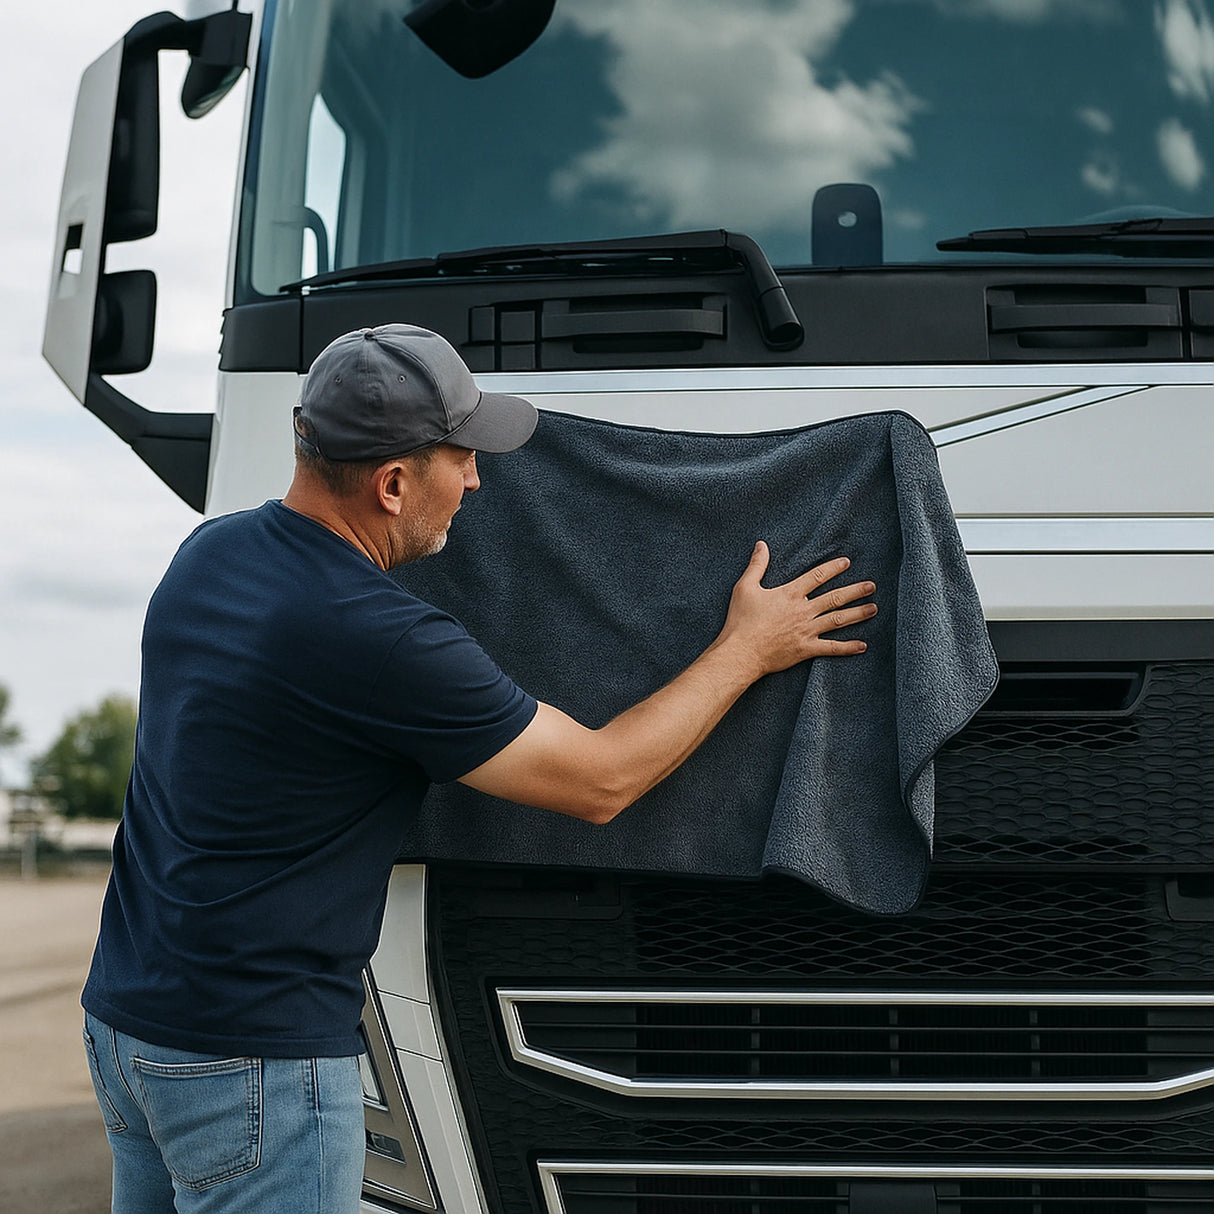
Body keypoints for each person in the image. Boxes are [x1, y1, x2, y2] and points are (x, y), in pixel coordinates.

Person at [81, 324, 877, 1213]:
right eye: (460, 459)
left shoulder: (208, 556)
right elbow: (600, 780)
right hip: (254, 1066)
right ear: (391, 485)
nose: (477, 480)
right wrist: (746, 648)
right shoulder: (380, 639)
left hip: (126, 1028)